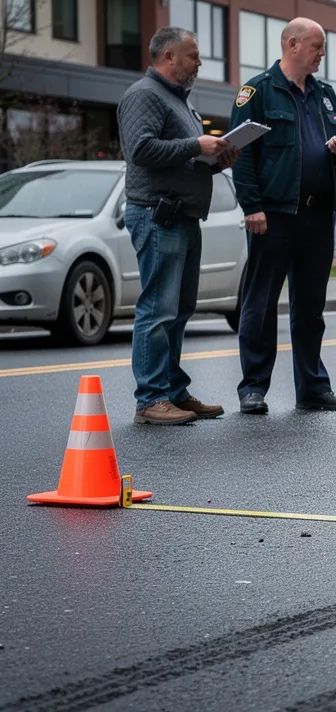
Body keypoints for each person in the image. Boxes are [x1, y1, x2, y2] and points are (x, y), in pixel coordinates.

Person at [229, 18, 336, 415]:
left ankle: (313, 387)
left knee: (310, 308)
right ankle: (253, 388)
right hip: (275, 215)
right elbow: (242, 153)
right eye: (317, 47)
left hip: (317, 216)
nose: (322, 54)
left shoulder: (325, 94)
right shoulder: (257, 92)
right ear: (293, 44)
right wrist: (252, 206)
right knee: (261, 304)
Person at [117, 26, 238, 425]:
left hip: (182, 216)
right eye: (193, 55)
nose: (199, 62)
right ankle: (150, 399)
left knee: (180, 310)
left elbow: (181, 157)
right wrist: (196, 145)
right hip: (158, 216)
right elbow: (141, 150)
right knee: (158, 308)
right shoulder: (143, 96)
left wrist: (216, 159)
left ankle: (172, 390)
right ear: (169, 57)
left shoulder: (179, 102)